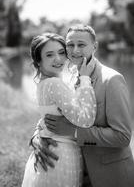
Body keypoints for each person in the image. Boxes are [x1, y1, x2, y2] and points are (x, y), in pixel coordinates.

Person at [31, 24, 134, 187]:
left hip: (109, 175)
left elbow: (123, 137)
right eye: (70, 45)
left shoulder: (112, 80)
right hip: (74, 169)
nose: (75, 50)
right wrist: (37, 137)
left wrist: (74, 131)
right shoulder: (68, 77)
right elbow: (57, 113)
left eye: (81, 44)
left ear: (95, 46)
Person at [22, 32, 97, 187]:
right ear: (38, 61)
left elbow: (47, 117)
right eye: (49, 55)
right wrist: (85, 79)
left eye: (61, 53)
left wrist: (37, 135)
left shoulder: (45, 83)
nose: (58, 59)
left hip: (54, 151)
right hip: (61, 156)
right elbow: (86, 119)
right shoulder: (54, 84)